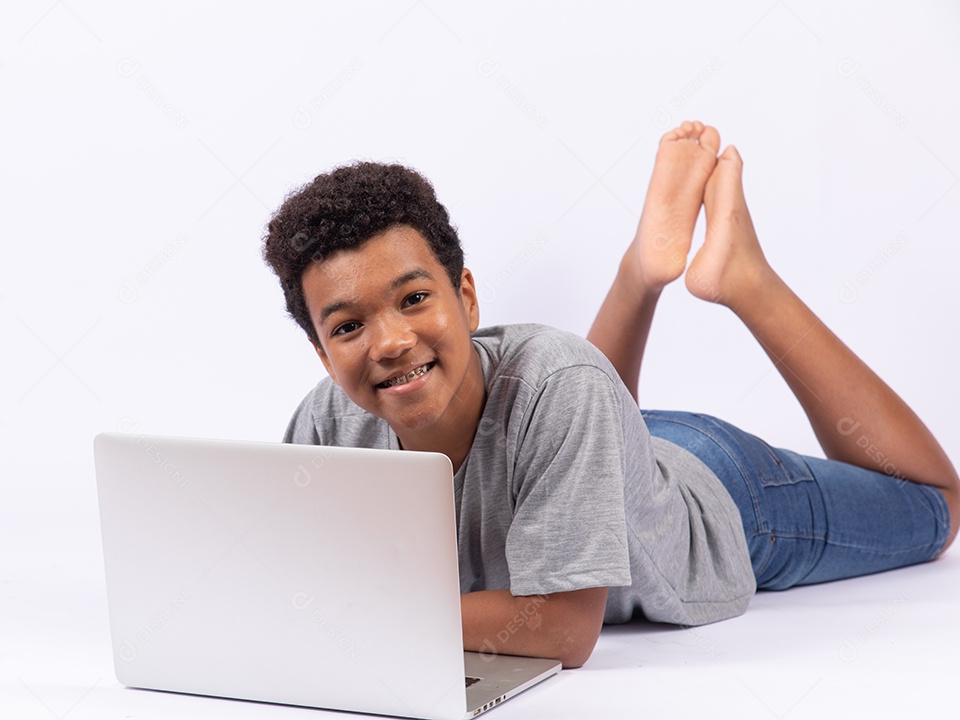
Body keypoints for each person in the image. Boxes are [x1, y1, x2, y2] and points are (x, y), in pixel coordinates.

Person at [262, 121, 958, 669]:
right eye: (348, 326)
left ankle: (746, 278)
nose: (387, 342)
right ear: (322, 352)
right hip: (600, 439)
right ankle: (643, 268)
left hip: (721, 494)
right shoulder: (325, 425)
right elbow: (305, 586)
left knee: (940, 508)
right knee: (574, 400)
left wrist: (359, 611)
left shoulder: (561, 386)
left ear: (466, 298)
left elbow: (564, 628)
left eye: (414, 298)